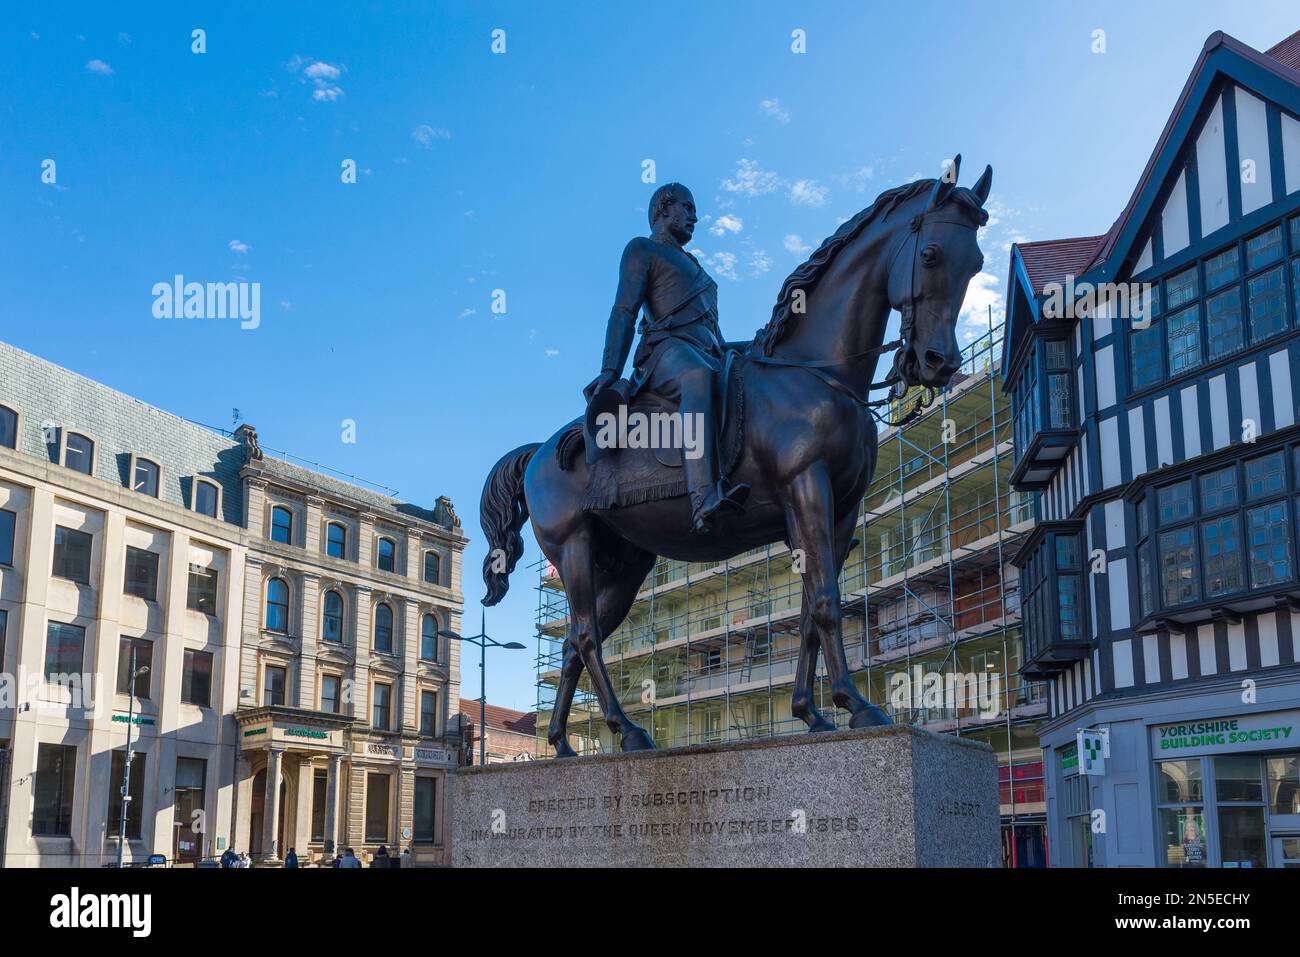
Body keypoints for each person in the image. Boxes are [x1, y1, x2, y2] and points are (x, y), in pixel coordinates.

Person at [584, 182, 747, 533]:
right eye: (687, 207)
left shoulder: (696, 267)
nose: (695, 216)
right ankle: (703, 498)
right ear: (663, 208)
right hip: (664, 354)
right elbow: (624, 311)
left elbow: (716, 337)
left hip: (704, 351)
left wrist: (755, 346)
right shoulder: (642, 249)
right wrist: (610, 370)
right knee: (697, 377)